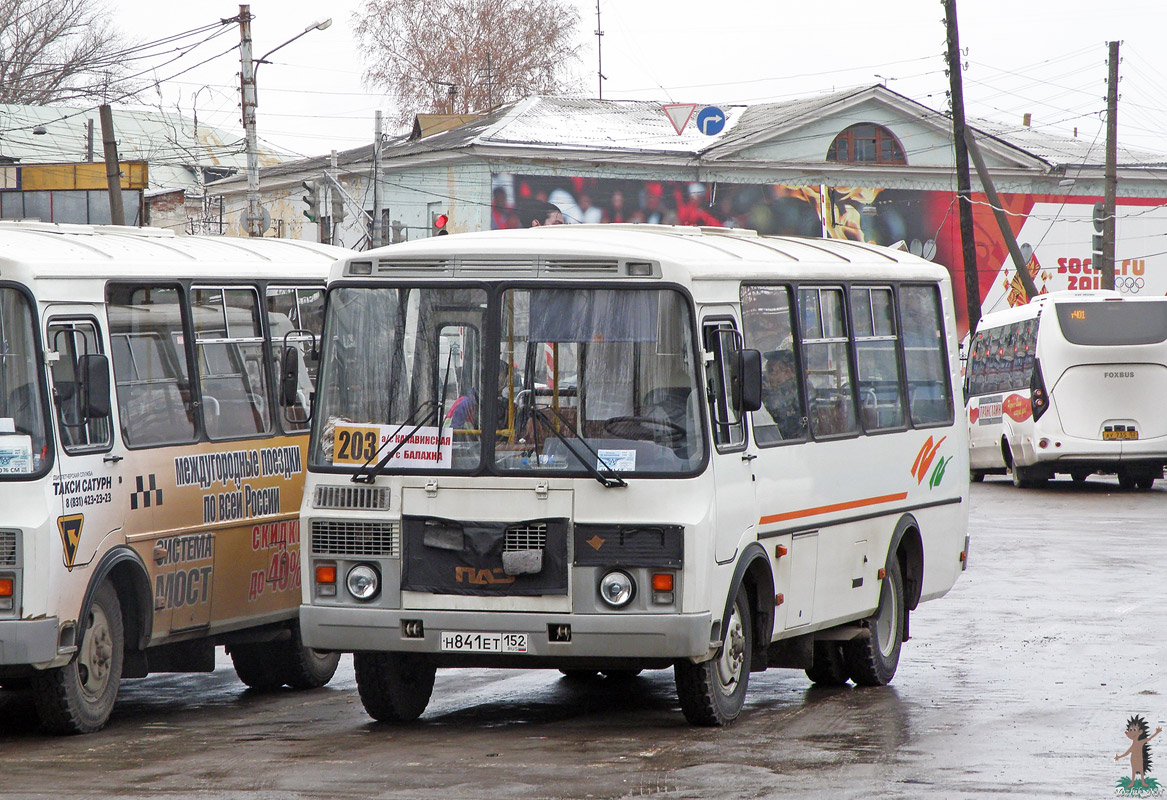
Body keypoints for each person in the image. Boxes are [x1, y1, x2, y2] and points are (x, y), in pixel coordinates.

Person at [761, 349, 804, 439]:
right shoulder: (778, 390)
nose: (767, 377)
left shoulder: (797, 392)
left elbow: (774, 408)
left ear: (787, 373)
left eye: (772, 372)